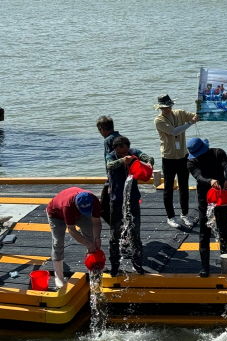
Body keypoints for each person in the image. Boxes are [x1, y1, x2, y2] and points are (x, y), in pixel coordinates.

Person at [106, 136, 153, 276]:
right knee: (115, 234)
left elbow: (148, 157)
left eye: (125, 152)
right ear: (115, 150)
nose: (124, 154)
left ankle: (137, 263)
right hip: (116, 200)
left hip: (132, 200)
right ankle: (115, 264)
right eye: (120, 153)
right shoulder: (110, 156)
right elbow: (109, 165)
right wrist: (121, 161)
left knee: (135, 233)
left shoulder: (134, 153)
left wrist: (149, 163)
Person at [187, 137, 227, 277]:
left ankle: (226, 263)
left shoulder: (218, 153)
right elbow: (198, 176)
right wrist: (210, 181)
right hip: (204, 199)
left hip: (221, 195)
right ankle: (204, 267)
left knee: (224, 230)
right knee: (204, 232)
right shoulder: (191, 162)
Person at [154, 94, 200, 228]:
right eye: (163, 107)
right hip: (169, 157)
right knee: (168, 188)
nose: (166, 109)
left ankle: (184, 214)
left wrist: (199, 107)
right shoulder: (159, 120)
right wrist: (190, 123)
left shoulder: (179, 113)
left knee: (184, 186)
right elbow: (174, 132)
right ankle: (171, 217)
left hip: (183, 156)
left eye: (168, 106)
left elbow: (196, 117)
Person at [46, 187, 102, 287]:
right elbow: (72, 229)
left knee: (92, 234)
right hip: (56, 215)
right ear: (76, 204)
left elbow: (96, 222)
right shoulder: (67, 206)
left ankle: (94, 265)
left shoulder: (94, 200)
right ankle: (59, 276)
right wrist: (86, 243)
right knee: (58, 242)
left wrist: (96, 238)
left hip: (79, 214)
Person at [96, 115, 121, 225]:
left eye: (99, 130)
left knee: (103, 208)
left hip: (113, 179)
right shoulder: (120, 137)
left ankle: (119, 230)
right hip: (123, 177)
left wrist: (110, 183)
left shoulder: (108, 140)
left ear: (102, 129)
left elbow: (110, 163)